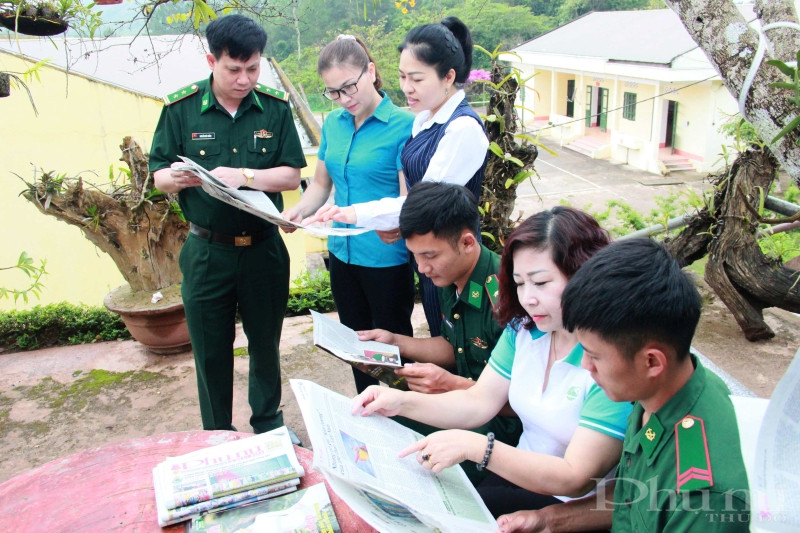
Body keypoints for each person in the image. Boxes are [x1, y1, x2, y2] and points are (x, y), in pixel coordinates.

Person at [352, 207, 632, 517]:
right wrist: (400, 401)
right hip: (519, 474)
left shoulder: (609, 359)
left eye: (540, 283)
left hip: (576, 508)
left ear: (584, 275)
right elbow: (478, 401)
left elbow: (575, 477)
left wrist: (477, 448)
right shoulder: (525, 330)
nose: (528, 298)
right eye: (519, 283)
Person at [497, 238, 750, 532]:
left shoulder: (700, 498)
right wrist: (547, 520)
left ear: (652, 362)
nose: (584, 366)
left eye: (594, 356)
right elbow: (635, 495)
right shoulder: (663, 389)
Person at [148, 15, 306, 440]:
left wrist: (245, 175)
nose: (244, 79)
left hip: (263, 248)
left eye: (252, 68)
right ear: (211, 60)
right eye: (233, 69)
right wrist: (174, 178)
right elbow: (158, 174)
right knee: (211, 350)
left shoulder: (273, 107)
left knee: (265, 344)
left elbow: (291, 175)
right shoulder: (179, 109)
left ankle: (269, 424)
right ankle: (216, 433)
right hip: (206, 252)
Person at [307, 17, 489, 338]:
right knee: (439, 339)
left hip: (456, 259)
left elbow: (424, 201)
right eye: (403, 76)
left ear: (448, 77)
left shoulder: (463, 129)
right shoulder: (424, 121)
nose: (406, 87)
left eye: (416, 79)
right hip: (431, 258)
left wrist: (354, 213)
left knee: (463, 348)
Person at [358, 181, 522, 483]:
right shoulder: (452, 275)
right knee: (380, 418)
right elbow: (454, 345)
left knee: (400, 444)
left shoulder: (509, 298)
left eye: (430, 256)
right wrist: (395, 342)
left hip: (502, 428)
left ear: (468, 242)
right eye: (415, 256)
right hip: (464, 405)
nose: (422, 269)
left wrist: (450, 384)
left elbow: (525, 405)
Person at [281, 35, 415, 394]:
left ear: (371, 71)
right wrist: (295, 213)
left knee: (390, 351)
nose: (344, 98)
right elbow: (321, 186)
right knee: (355, 347)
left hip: (386, 258)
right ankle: (369, 413)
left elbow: (407, 201)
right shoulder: (335, 125)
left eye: (349, 86)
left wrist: (397, 228)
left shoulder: (404, 126)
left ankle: (406, 421)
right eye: (333, 92)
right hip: (342, 255)